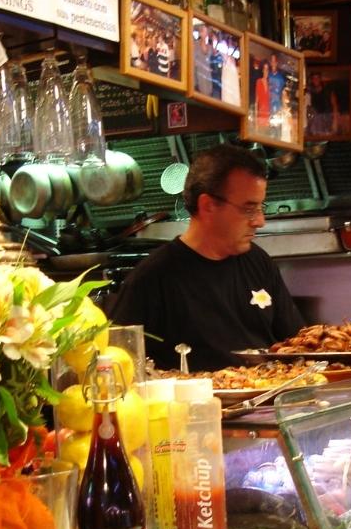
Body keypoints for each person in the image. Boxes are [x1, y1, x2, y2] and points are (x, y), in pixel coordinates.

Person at [110, 144, 305, 371]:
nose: (260, 221)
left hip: (270, 400)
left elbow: (297, 345)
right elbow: (118, 365)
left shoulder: (258, 261)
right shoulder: (153, 278)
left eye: (261, 207)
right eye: (249, 208)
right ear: (208, 205)